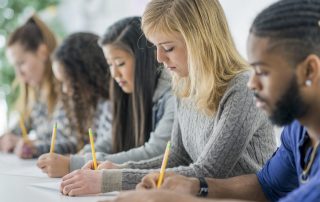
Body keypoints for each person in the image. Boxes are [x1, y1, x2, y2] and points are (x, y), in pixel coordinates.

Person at [60, 0, 275, 196]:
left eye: (168, 48)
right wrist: (120, 168)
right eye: (156, 47)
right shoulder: (183, 83)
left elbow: (209, 171)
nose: (159, 58)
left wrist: (110, 181)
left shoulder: (243, 88)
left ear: (200, 41)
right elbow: (177, 157)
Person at [113, 0, 320, 201]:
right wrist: (194, 186)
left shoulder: (240, 87)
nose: (252, 83)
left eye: (262, 72)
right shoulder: (297, 131)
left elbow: (212, 170)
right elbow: (266, 186)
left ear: (310, 70)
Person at [38, 17, 174, 177]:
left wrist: (75, 164)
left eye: (120, 63)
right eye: (110, 64)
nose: (115, 74)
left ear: (145, 60)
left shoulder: (171, 96)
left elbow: (155, 152)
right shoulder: (127, 93)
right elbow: (112, 138)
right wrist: (84, 154)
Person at [36, 32, 112, 177]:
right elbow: (75, 142)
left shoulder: (110, 103)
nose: (65, 90)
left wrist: (72, 161)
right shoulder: (85, 103)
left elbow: (108, 147)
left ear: (87, 73)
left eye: (68, 81)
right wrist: (38, 150)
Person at [0, 14, 75, 158]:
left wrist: (33, 146)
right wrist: (7, 138)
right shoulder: (36, 92)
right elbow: (19, 129)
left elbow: (74, 143)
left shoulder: (67, 87)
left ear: (42, 52)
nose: (18, 75)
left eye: (21, 63)